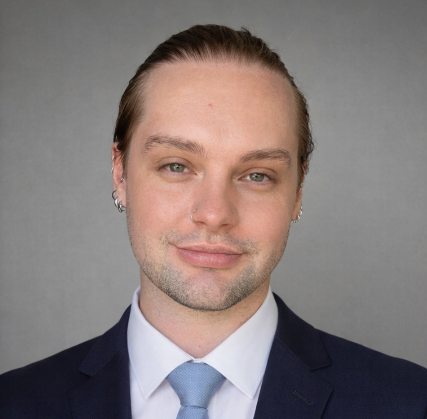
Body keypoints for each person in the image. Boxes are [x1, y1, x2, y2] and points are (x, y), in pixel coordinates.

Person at [1, 24, 426, 419]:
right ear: (120, 173)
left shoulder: (410, 403)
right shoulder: (15, 403)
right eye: (176, 166)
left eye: (257, 175)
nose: (215, 213)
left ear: (297, 192)